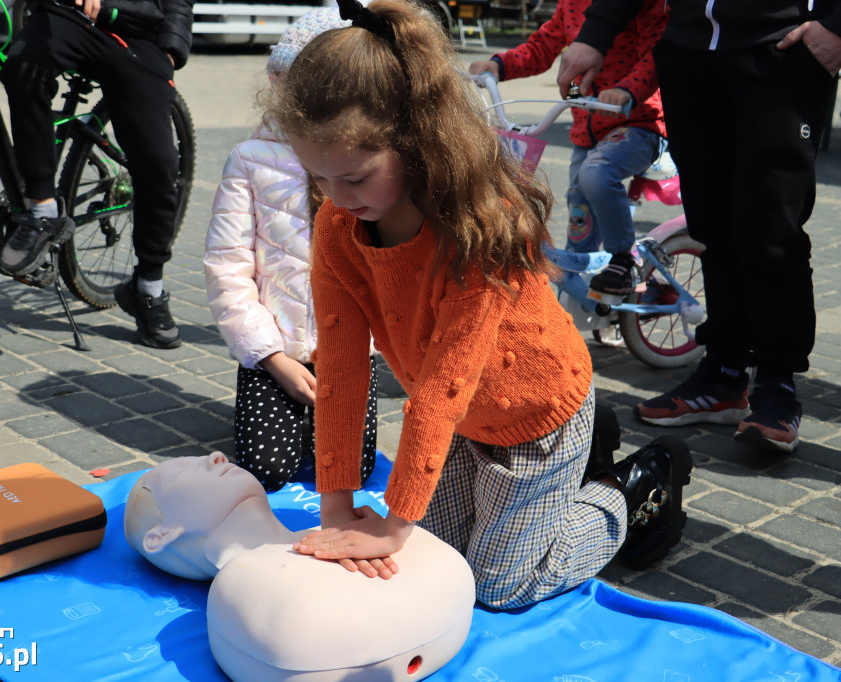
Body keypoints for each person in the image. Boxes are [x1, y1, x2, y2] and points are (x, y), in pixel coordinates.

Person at [263, 0, 693, 609]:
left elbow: (443, 383)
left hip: (539, 412)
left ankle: (630, 488)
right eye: (318, 177)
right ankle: (568, 481)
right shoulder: (339, 226)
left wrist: (391, 524)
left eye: (355, 178)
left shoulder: (475, 228)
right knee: (439, 559)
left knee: (497, 585)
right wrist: (338, 508)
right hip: (471, 420)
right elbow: (341, 366)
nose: (335, 197)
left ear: (412, 141)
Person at [556, 0, 841, 453]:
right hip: (688, 52)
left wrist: (836, 26)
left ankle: (776, 385)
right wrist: (595, 34)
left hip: (781, 49)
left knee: (771, 227)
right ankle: (724, 373)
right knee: (712, 225)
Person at [204, 9, 378, 493]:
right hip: (273, 349)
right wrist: (270, 356)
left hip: (346, 349)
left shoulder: (368, 160)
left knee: (351, 471)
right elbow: (227, 268)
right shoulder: (250, 160)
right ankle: (274, 398)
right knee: (268, 470)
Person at [123, 452, 477, 682]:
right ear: (161, 535)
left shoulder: (254, 597)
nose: (216, 456)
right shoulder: (248, 593)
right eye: (185, 470)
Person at [0, 0, 192, 349]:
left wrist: (172, 48)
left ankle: (148, 287)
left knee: (160, 164)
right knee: (22, 64)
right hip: (65, 17)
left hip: (137, 33)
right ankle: (42, 211)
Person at [469, 0, 667, 294]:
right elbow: (542, 47)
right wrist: (498, 65)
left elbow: (657, 53)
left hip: (637, 123)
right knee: (578, 216)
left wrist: (628, 89)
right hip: (587, 133)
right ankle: (584, 296)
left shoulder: (636, 5)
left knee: (596, 174)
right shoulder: (570, 4)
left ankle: (624, 260)